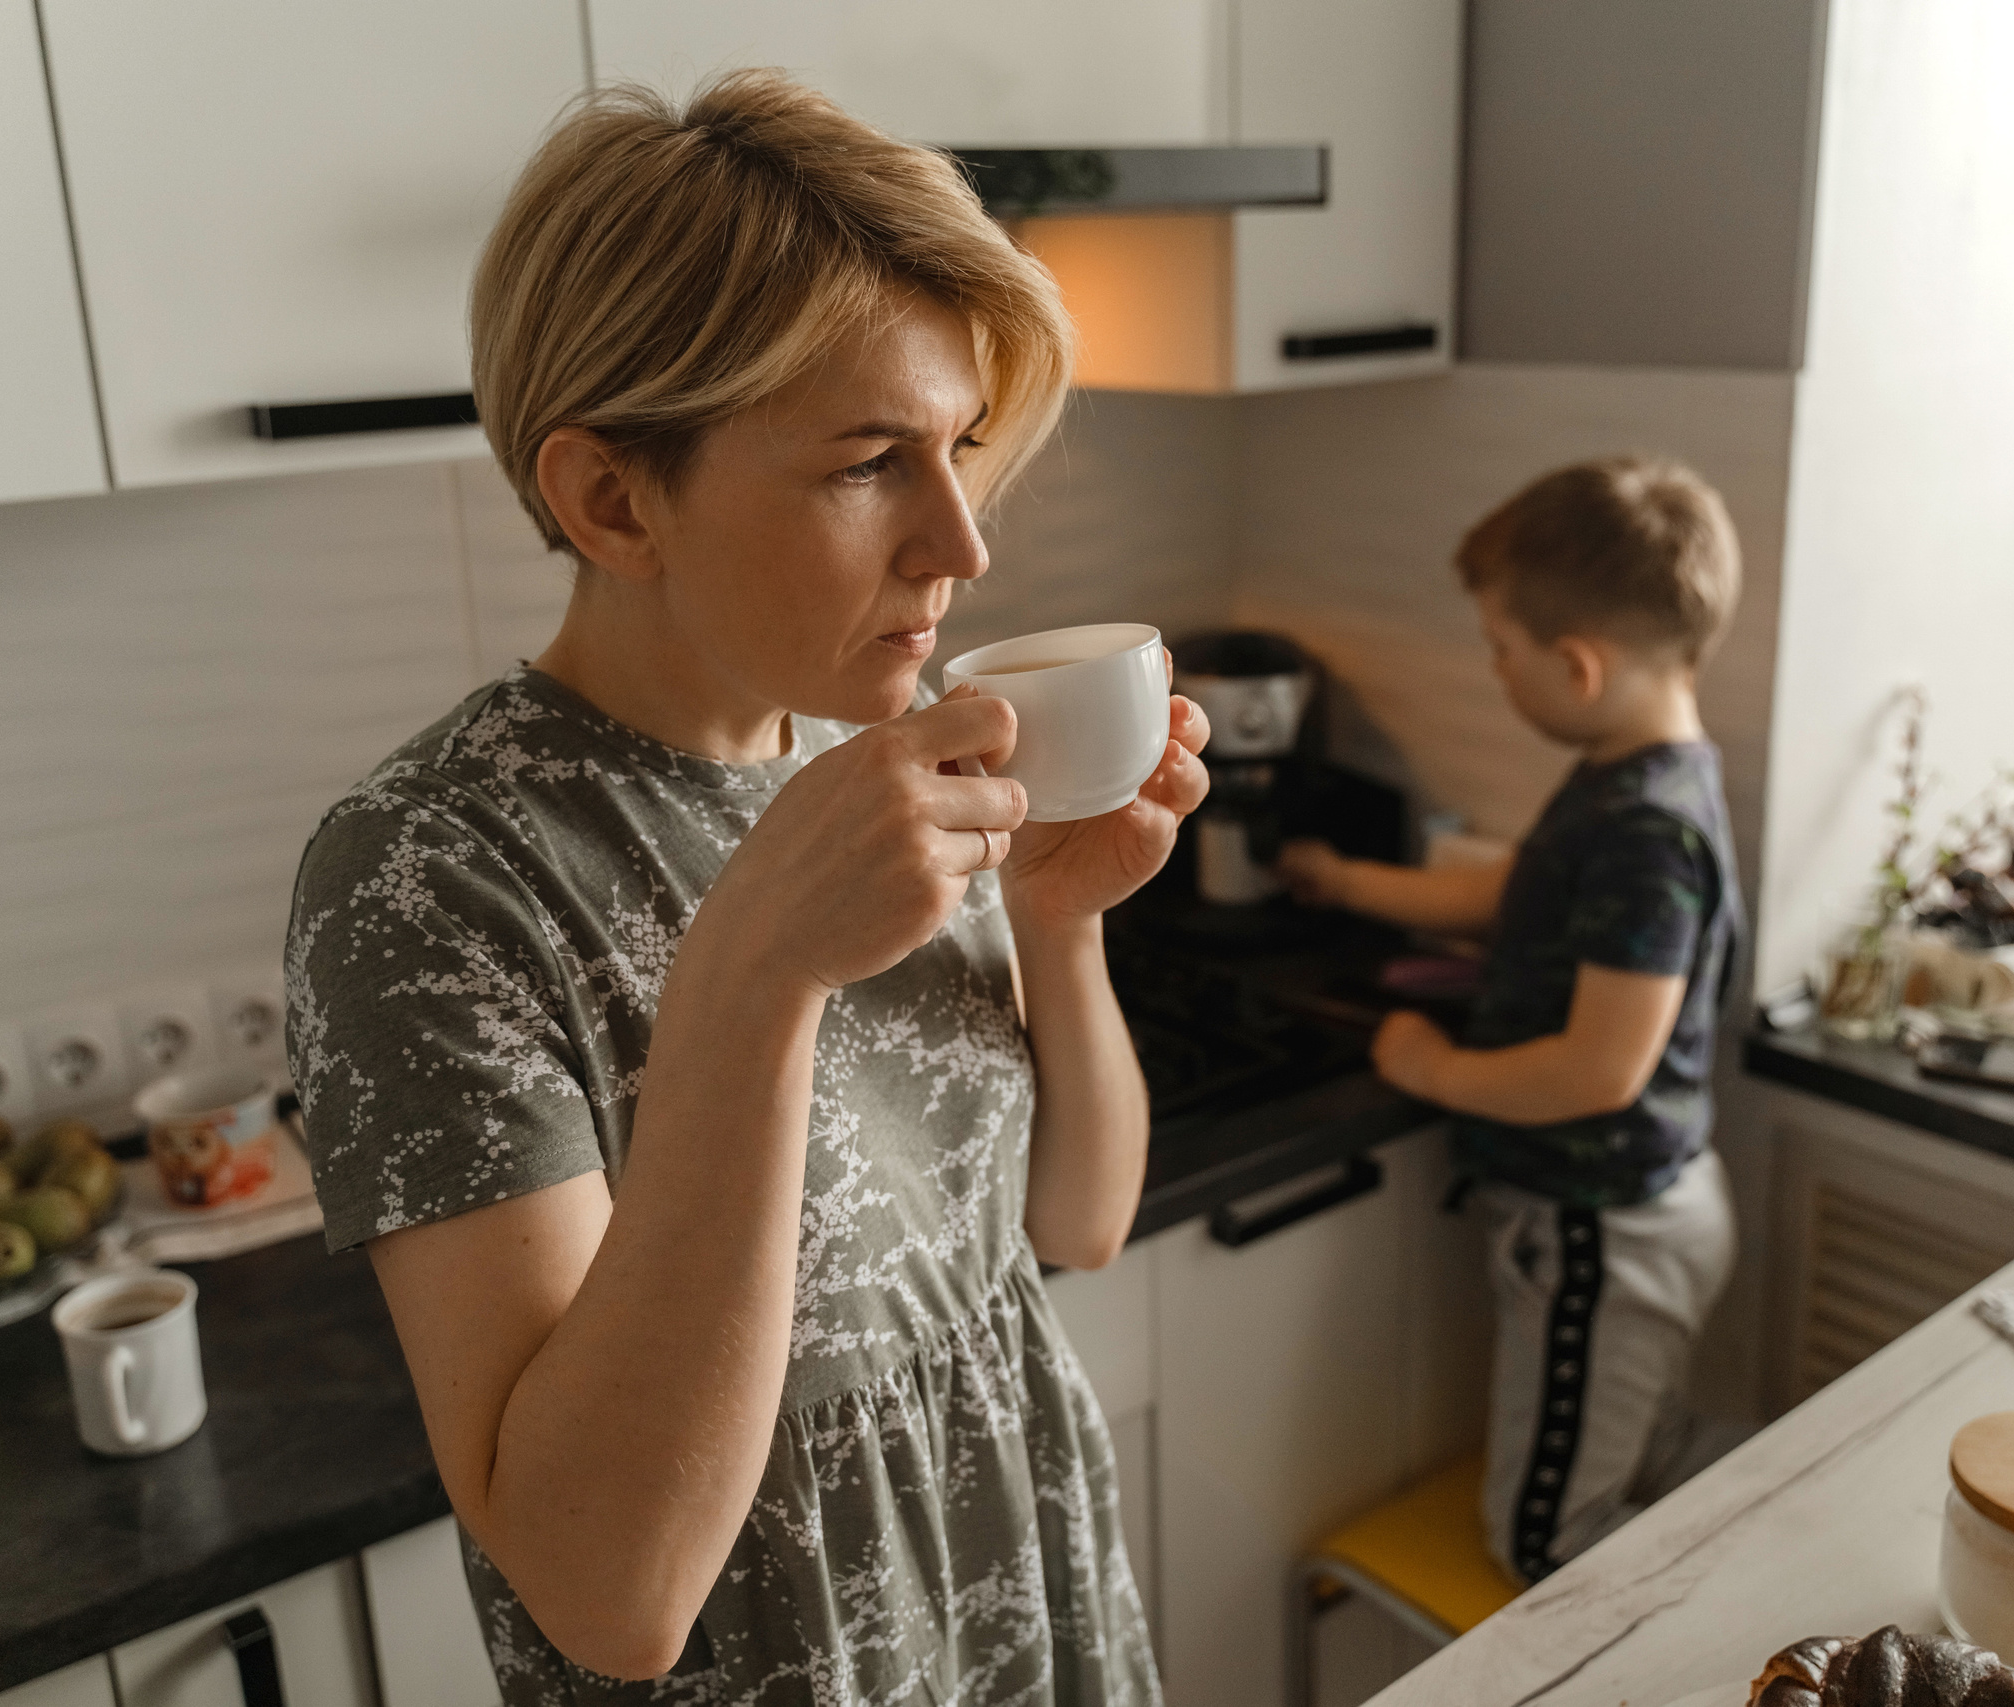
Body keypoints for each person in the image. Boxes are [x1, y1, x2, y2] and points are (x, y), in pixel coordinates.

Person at [284, 72, 1206, 1704]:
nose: (961, 545)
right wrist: (752, 978)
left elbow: (1075, 1223)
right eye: (869, 461)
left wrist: (1064, 923)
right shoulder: (429, 876)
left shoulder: (887, 745)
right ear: (613, 497)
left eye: (963, 448)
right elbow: (609, 1591)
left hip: (1025, 1604)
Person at [1279, 457, 1743, 1585]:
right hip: (1640, 1212)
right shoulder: (1635, 772)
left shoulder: (1644, 829)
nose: (1492, 669)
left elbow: (1595, 1071)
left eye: (1498, 649)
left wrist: (1432, 1065)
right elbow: (1515, 894)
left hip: (1600, 1235)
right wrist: (1351, 883)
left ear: (1577, 667)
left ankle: (1719, 1632)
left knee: (1546, 1543)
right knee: (1650, 1456)